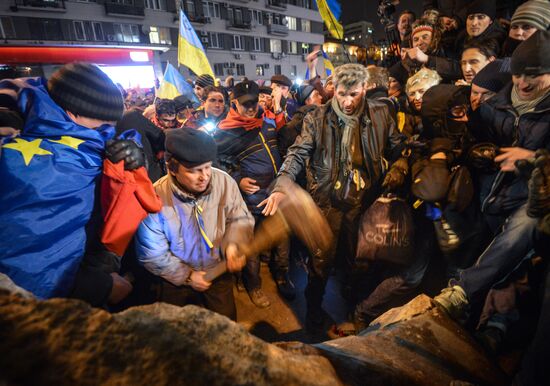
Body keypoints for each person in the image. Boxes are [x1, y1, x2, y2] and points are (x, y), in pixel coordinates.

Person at [260, 64, 408, 332]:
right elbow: (297, 153)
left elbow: (398, 147)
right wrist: (282, 184)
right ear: (333, 92)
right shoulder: (316, 119)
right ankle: (314, 309)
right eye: (342, 94)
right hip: (327, 203)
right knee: (321, 260)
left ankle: (353, 305)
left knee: (357, 258)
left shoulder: (381, 115)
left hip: (363, 202)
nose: (348, 101)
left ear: (365, 89)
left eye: (354, 94)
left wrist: (400, 166)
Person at [0, 62, 144, 306]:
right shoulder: (13, 141)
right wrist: (92, 286)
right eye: (101, 125)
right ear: (71, 113)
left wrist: (135, 155)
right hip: (37, 298)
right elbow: (27, 239)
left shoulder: (85, 136)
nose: (106, 133)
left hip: (86, 267)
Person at [434, 31, 550, 327]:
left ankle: (462, 294)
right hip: (492, 200)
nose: (523, 83)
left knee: (524, 231)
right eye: (518, 74)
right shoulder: (497, 103)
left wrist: (534, 160)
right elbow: (478, 133)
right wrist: (472, 142)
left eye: (534, 76)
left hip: (532, 203)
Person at [135, 128, 252, 320]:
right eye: (193, 171)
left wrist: (233, 245)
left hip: (218, 270)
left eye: (207, 167)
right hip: (175, 279)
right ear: (171, 168)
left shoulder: (225, 182)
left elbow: (240, 218)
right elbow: (151, 253)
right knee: (177, 331)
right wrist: (187, 276)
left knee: (225, 326)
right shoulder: (155, 198)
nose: (204, 176)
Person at [216, 80, 287, 306]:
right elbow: (217, 164)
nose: (250, 108)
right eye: (245, 104)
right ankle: (253, 286)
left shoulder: (267, 123)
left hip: (274, 193)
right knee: (251, 246)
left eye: (254, 102)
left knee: (282, 238)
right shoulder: (224, 133)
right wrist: (237, 180)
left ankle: (282, 278)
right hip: (249, 199)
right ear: (234, 102)